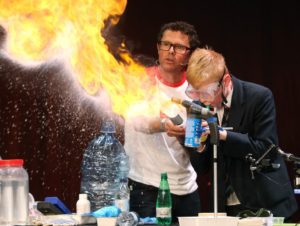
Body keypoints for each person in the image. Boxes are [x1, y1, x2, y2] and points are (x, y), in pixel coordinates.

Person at [183, 48, 298, 218]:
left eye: (206, 92)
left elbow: (266, 148)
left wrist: (222, 135)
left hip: (264, 201)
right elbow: (201, 168)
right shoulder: (198, 107)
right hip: (224, 205)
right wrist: (199, 146)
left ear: (226, 81)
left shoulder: (259, 97)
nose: (201, 99)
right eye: (194, 92)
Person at [124, 21, 201, 222]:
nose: (171, 51)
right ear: (158, 47)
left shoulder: (196, 90)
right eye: (166, 44)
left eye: (179, 47)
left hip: (187, 189)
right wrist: (162, 124)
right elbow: (136, 121)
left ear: (189, 54)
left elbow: (199, 146)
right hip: (146, 187)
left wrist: (188, 137)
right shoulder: (141, 80)